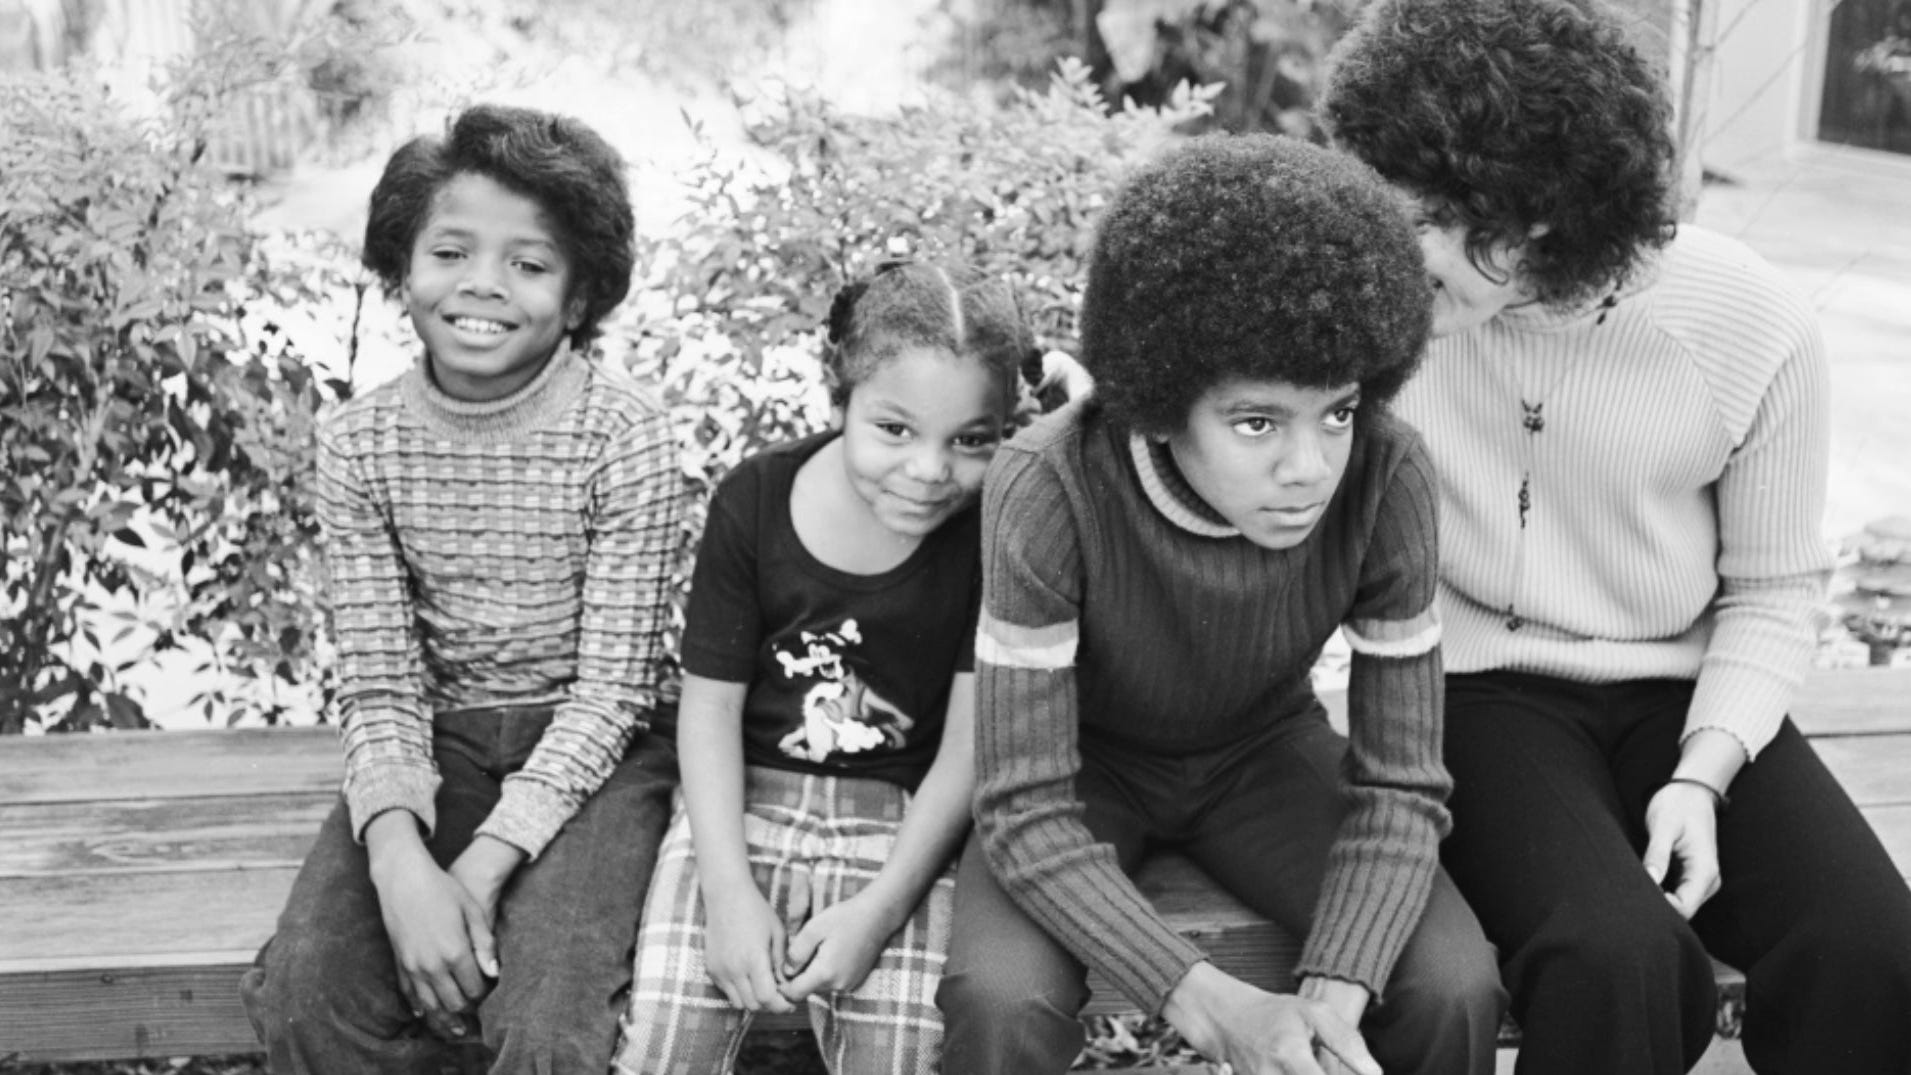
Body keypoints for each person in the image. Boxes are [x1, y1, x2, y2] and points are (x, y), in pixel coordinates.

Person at [1318, 1, 1911, 1071]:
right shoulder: (1378, 311)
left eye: (1440, 222)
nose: (1404, 255)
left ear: (1550, 213)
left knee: (1872, 949)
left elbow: (1774, 590)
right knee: (1613, 956)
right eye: (1392, 210)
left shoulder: (1751, 324)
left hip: (1684, 691)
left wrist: (1702, 775)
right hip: (1474, 687)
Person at [935, 133, 1506, 1075]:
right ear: (1159, 403)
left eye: (1337, 410)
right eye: (1256, 421)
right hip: (1081, 767)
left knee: (1451, 985)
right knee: (1001, 998)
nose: (1308, 467)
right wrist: (1208, 1003)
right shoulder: (1048, 484)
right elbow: (1023, 804)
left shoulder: (1387, 472)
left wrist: (1336, 987)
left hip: (1264, 752)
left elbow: (1402, 785)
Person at [239, 103, 686, 1074]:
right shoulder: (359, 444)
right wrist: (401, 862)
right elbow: (380, 684)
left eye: (529, 263)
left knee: (549, 1022)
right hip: (436, 743)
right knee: (306, 994)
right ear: (403, 268)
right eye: (451, 252)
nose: (483, 283)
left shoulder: (625, 434)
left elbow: (613, 694)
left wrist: (480, 866)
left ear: (579, 297)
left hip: (600, 750)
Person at [611, 262, 1031, 1075]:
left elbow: (966, 746)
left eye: (970, 439)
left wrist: (880, 911)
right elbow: (708, 710)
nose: (929, 470)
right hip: (737, 803)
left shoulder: (994, 530)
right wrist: (728, 894)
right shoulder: (755, 499)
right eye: (894, 429)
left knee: (903, 1052)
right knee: (665, 1040)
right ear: (837, 397)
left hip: (906, 818)